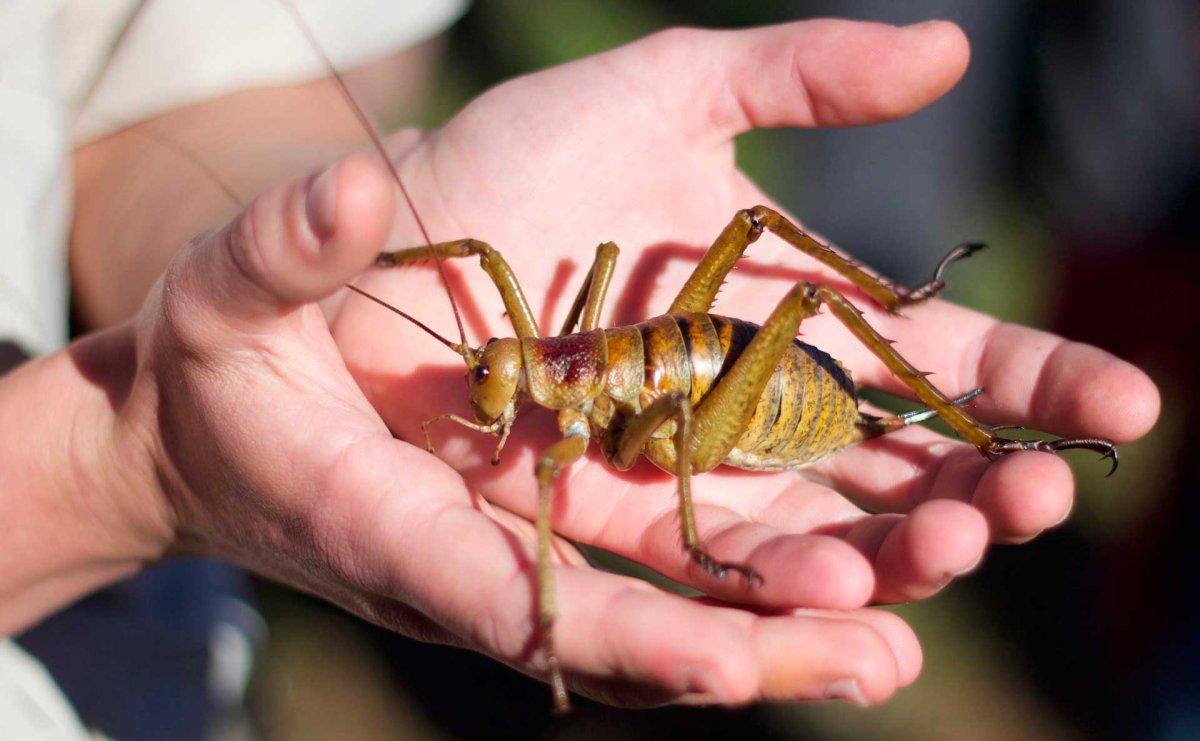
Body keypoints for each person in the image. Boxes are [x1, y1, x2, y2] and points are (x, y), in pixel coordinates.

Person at [1, 4, 1160, 734]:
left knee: (785, 300)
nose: (491, 394)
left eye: (502, 374)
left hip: (733, 402)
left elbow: (178, 77)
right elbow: (488, 277)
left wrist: (324, 216)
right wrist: (130, 465)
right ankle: (949, 418)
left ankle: (942, 383)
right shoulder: (527, 357)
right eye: (497, 372)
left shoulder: (567, 415)